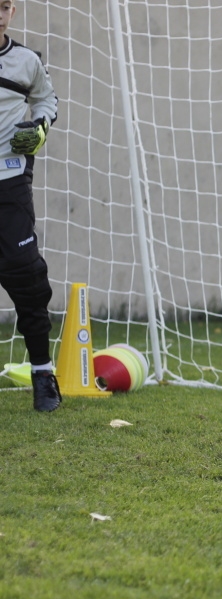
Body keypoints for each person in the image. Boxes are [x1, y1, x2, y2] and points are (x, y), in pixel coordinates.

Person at [0, 0, 61, 411]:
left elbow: (46, 100)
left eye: (3, 6)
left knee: (28, 278)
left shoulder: (26, 61)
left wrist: (40, 126)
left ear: (13, 11)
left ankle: (43, 374)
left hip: (9, 184)